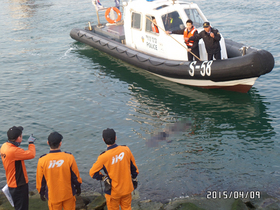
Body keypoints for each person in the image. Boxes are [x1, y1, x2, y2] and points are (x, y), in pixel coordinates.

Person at [89, 128, 139, 210]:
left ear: (103, 140)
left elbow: (92, 173)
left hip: (113, 191)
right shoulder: (126, 150)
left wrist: (103, 178)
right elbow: (134, 169)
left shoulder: (103, 157)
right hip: (127, 188)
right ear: (115, 137)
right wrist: (134, 178)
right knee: (127, 207)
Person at [36, 132, 82, 210]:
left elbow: (40, 180)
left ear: (48, 143)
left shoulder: (42, 160)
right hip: (68, 194)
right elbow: (75, 176)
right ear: (60, 143)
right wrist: (78, 187)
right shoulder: (69, 157)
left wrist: (41, 192)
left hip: (53, 196)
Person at [0, 126, 36, 210]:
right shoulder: (14, 151)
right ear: (18, 137)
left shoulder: (4, 146)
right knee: (22, 208)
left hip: (11, 181)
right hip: (19, 184)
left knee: (18, 206)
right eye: (21, 135)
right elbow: (31, 154)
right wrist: (31, 143)